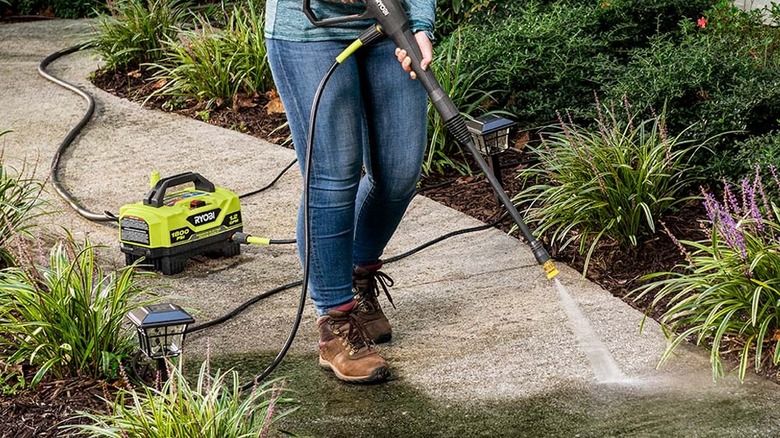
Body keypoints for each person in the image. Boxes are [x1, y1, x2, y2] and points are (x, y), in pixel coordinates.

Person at [264, 0, 435, 383]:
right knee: (332, 173)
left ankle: (357, 277)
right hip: (307, 30)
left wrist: (420, 24)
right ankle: (336, 321)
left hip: (389, 15)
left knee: (400, 170)